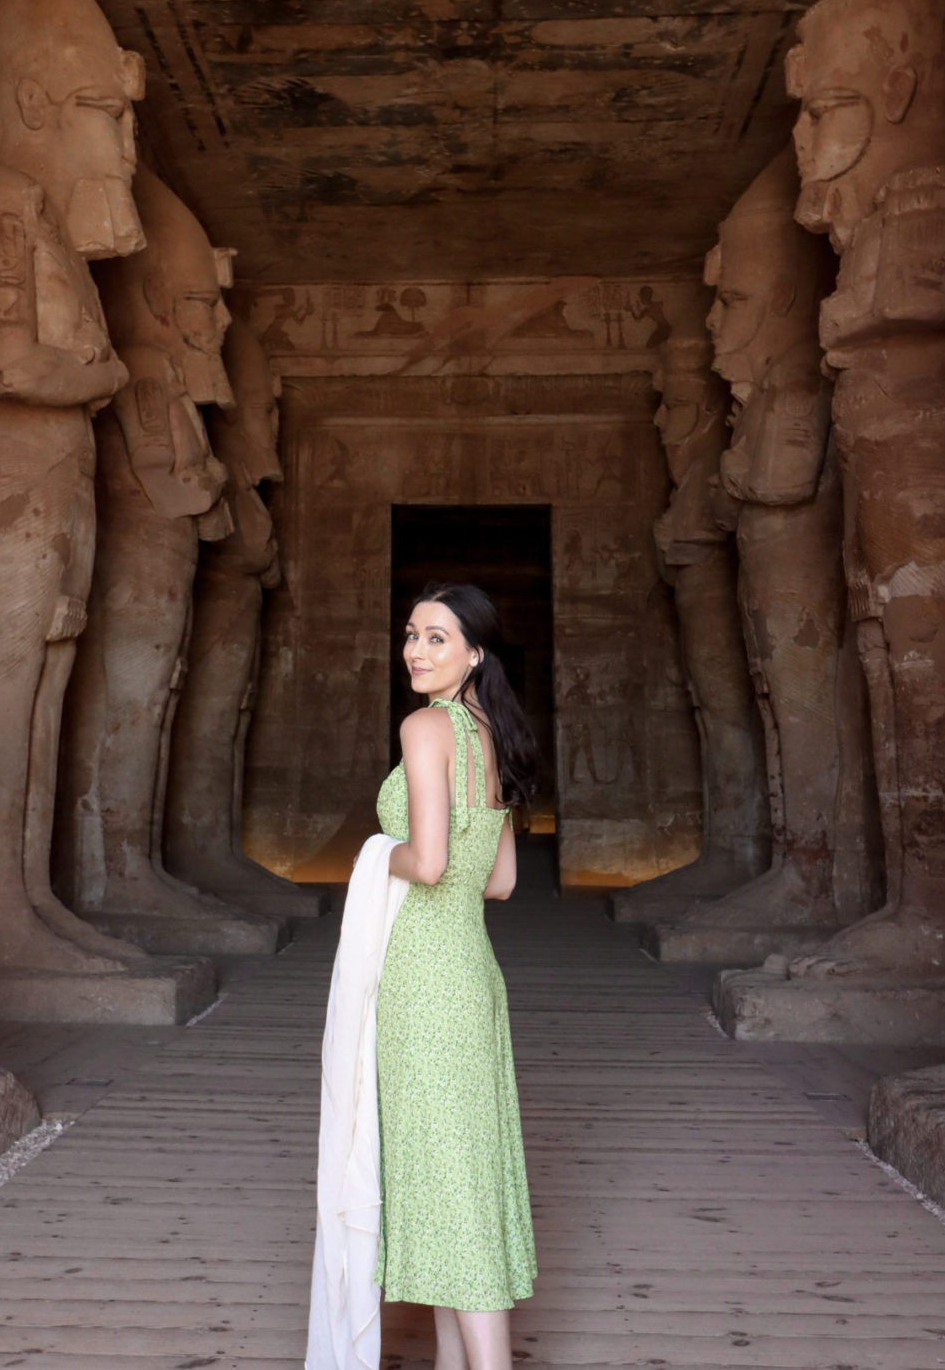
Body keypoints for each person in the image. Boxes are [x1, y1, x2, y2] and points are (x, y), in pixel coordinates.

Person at [377, 582, 538, 1369]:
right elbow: (500, 879)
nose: (416, 649)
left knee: (451, 1183)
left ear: (475, 652)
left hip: (423, 974)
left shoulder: (426, 727)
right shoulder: (492, 735)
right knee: (457, 1177)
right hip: (472, 969)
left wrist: (374, 856)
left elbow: (431, 863)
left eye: (437, 638)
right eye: (412, 634)